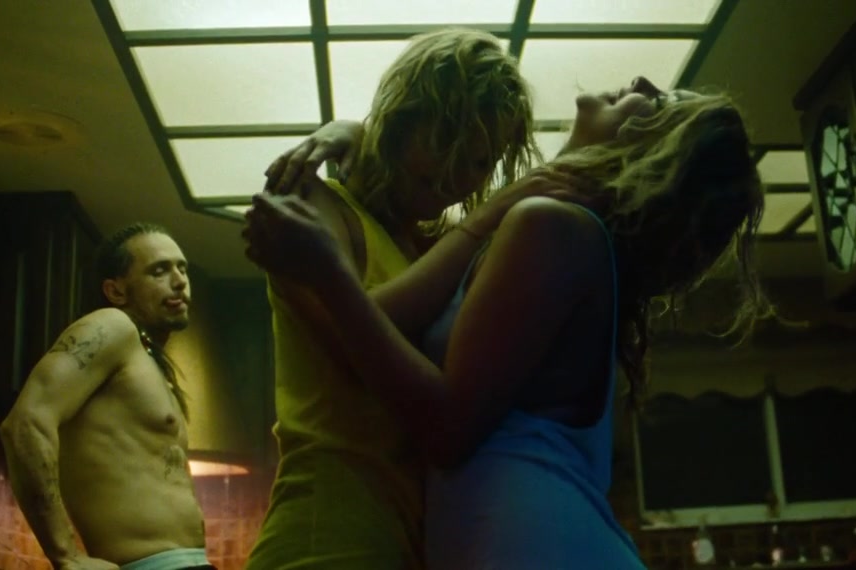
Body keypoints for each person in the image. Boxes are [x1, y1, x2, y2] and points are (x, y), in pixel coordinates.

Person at [242, 77, 769, 568]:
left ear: (655, 154)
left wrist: (331, 274)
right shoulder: (557, 230)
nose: (642, 83)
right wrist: (356, 132)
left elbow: (447, 431)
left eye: (660, 101)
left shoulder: (552, 227)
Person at [243, 27, 544, 570]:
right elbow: (360, 340)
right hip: (326, 542)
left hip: (414, 543)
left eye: (479, 162)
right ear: (401, 118)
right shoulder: (311, 201)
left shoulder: (429, 242)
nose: (456, 174)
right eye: (445, 139)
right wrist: (488, 216)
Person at [0, 223, 215, 570]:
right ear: (116, 291)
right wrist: (67, 556)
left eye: (182, 268)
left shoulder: (150, 364)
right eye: (159, 271)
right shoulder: (112, 326)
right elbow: (25, 424)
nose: (179, 281)